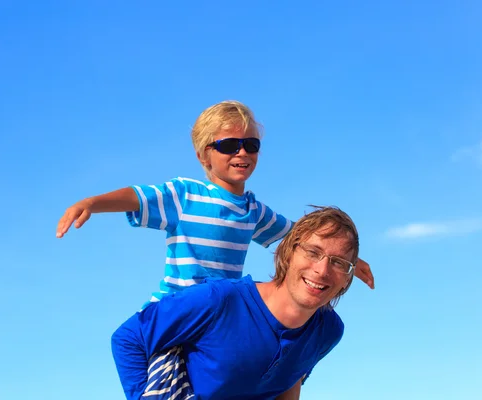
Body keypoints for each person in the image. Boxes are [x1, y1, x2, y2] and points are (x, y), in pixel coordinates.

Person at [55, 101, 374, 398]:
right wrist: (92, 204)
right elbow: (139, 197)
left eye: (251, 145)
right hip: (178, 313)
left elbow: (300, 238)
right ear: (203, 155)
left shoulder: (253, 210)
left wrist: (349, 260)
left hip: (224, 320)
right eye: (228, 145)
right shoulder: (185, 196)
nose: (242, 152)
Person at [112, 206, 360, 400]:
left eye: (339, 262)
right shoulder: (219, 300)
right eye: (313, 252)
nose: (322, 270)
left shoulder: (328, 330)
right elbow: (129, 337)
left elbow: (291, 377)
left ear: (347, 277)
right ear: (289, 251)